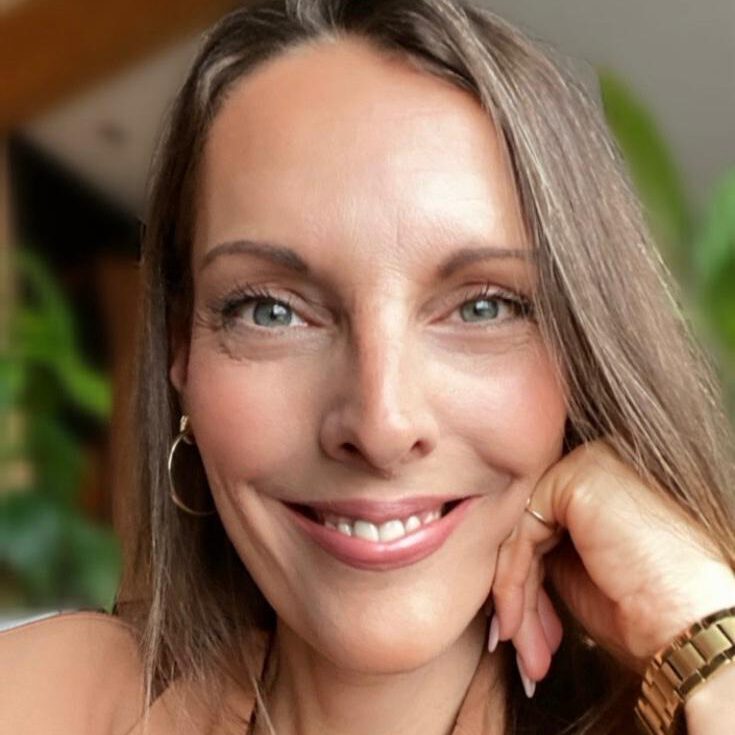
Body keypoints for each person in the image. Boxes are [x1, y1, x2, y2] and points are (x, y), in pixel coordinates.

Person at [2, 1, 735, 733]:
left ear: (584, 352)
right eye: (271, 311)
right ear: (180, 351)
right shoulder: (52, 698)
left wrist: (709, 643)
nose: (382, 426)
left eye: (483, 306)